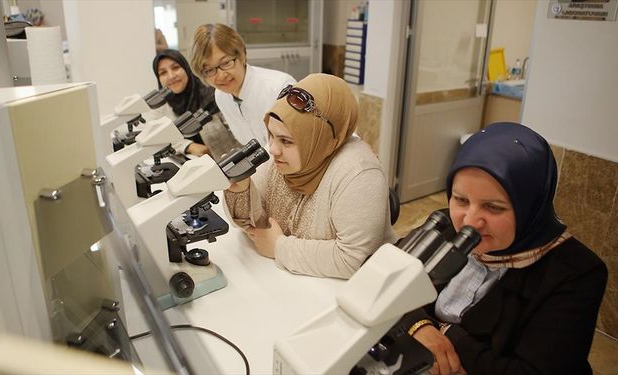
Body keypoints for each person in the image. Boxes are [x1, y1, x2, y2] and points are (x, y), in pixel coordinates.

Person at [400, 123, 607, 375]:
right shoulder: (445, 226)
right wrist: (420, 326)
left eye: (494, 207)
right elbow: (378, 282)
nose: (470, 222)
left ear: (530, 206)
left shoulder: (576, 273)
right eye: (461, 200)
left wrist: (446, 333)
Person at [223, 73, 395, 279]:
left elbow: (353, 260)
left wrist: (280, 247)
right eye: (271, 135)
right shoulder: (277, 157)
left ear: (318, 138)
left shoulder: (360, 175)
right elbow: (254, 227)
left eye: (286, 141)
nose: (273, 149)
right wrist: (241, 189)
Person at [190, 23, 296, 147]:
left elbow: (299, 143)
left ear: (241, 55)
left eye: (225, 63)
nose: (221, 76)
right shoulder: (221, 96)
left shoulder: (279, 87)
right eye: (209, 70)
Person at [149, 49, 239, 158]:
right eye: (163, 72)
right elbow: (154, 137)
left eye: (175, 68)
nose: (171, 76)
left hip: (233, 166)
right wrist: (187, 146)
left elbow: (240, 131)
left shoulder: (213, 95)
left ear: (186, 68)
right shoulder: (161, 105)